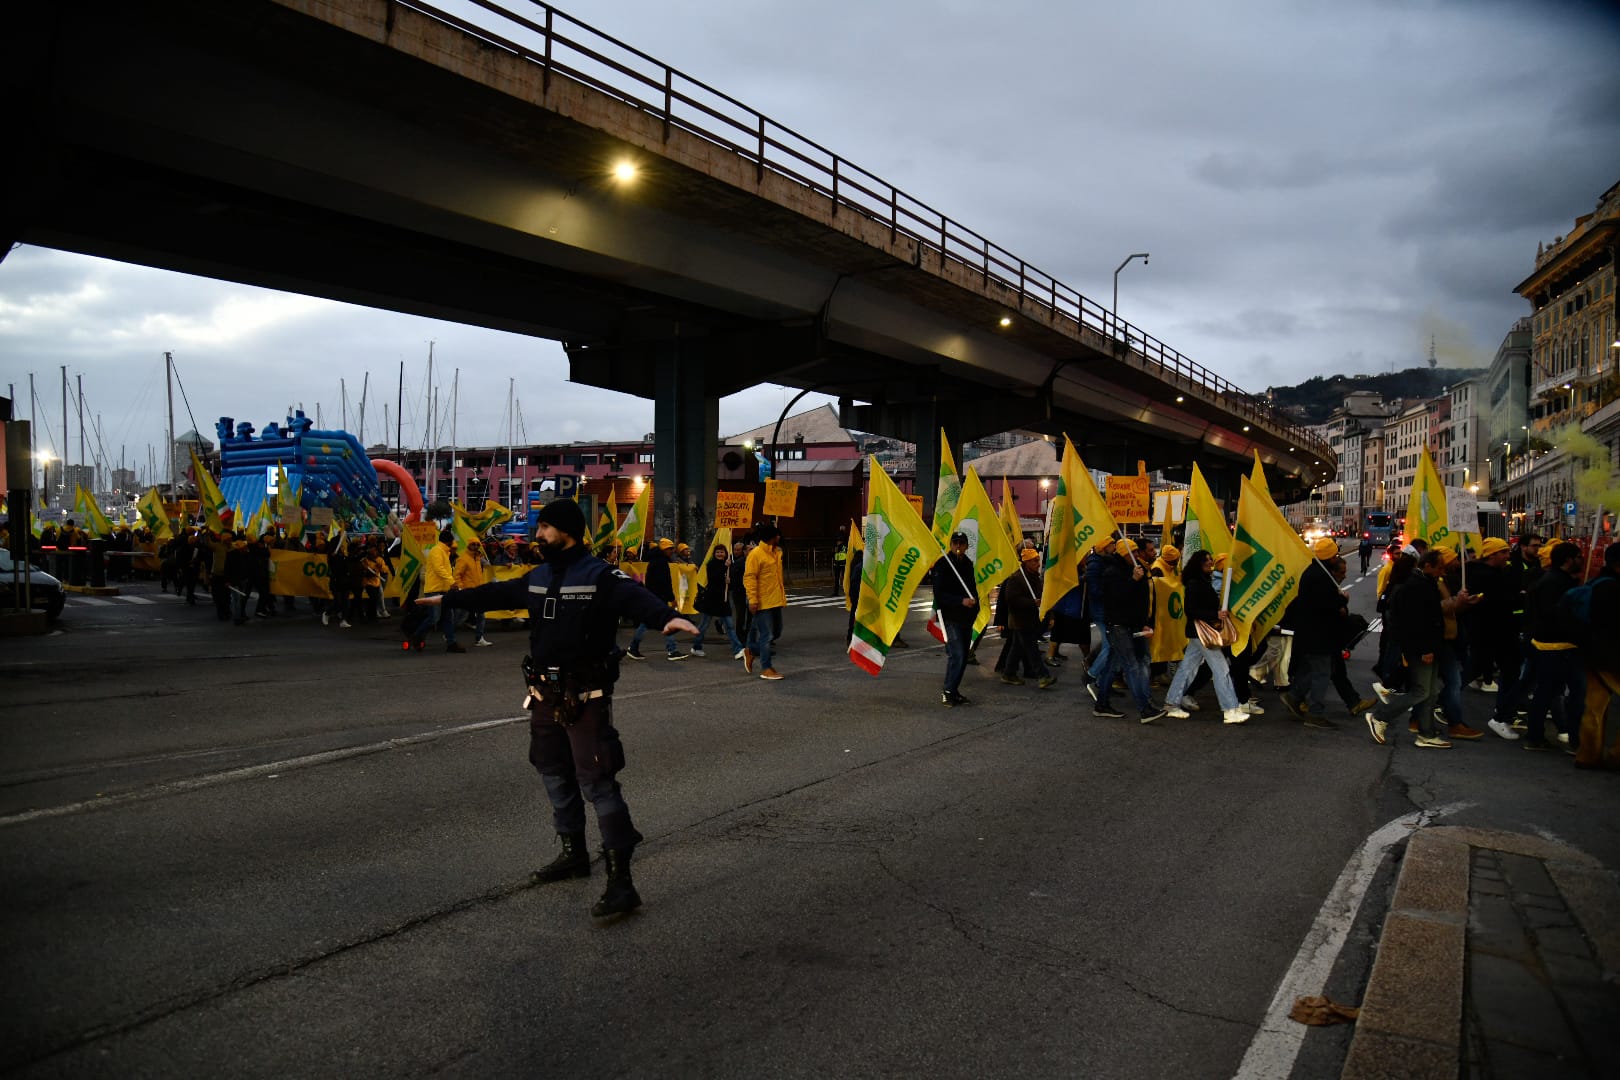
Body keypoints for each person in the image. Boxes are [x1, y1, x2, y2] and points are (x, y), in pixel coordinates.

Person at [420, 499, 697, 919]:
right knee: (551, 771)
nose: (538, 535)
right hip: (545, 696)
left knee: (598, 781)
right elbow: (496, 593)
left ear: (566, 530)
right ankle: (573, 855)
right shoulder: (539, 575)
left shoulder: (600, 575)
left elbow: (635, 596)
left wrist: (667, 618)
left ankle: (622, 883)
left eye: (545, 527)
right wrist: (451, 598)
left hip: (585, 697)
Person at [1365, 549, 1449, 748]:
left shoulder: (1424, 583)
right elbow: (1415, 622)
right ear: (1427, 565)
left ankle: (1426, 733)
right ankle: (1380, 717)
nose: (1442, 571)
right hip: (1422, 648)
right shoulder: (1416, 587)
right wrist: (1425, 648)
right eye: (1439, 567)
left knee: (1429, 692)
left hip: (1429, 646)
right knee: (1421, 691)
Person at [1163, 549, 1248, 724]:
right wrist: (1215, 615)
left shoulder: (1199, 581)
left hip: (1198, 633)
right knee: (1221, 670)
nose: (1210, 562)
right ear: (1198, 564)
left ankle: (1172, 703)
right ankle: (1230, 709)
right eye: (1206, 560)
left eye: (1210, 559)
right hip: (1203, 633)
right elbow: (1191, 610)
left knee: (1187, 669)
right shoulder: (1196, 583)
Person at [1280, 538, 1352, 729]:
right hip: (1319, 633)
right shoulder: (1321, 577)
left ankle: (1294, 696)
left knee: (1311, 668)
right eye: (1335, 554)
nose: (1337, 556)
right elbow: (1327, 605)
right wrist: (1342, 601)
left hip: (1310, 632)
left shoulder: (1313, 572)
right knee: (1322, 673)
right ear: (1330, 557)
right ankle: (1315, 713)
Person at [1520, 542, 1585, 752]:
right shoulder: (1555, 583)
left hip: (1552, 644)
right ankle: (1573, 739)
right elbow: (1554, 614)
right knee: (1568, 693)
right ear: (1568, 560)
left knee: (1547, 691)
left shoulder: (1556, 580)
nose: (1581, 560)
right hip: (1558, 646)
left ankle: (1538, 735)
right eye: (1578, 556)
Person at [1095, 539, 1165, 723]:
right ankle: (1144, 708)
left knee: (1112, 666)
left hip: (1132, 624)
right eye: (1131, 553)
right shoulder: (1112, 572)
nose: (1135, 556)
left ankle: (1101, 704)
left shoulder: (1136, 569)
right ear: (1122, 554)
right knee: (1132, 666)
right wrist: (1133, 581)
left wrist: (1143, 622)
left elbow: (1141, 600)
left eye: (1135, 552)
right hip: (1118, 625)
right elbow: (1116, 598)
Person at [1574, 543, 1620, 768]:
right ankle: (1616, 755)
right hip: (1612, 656)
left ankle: (1588, 755)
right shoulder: (1614, 589)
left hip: (1593, 654)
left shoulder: (1595, 584)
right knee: (1595, 707)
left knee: (1594, 707)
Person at [932, 530, 979, 705]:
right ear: (950, 545)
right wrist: (960, 601)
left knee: (963, 655)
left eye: (961, 543)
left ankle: (954, 690)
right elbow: (939, 594)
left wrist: (975, 606)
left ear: (966, 546)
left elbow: (972, 587)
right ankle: (948, 690)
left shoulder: (967, 564)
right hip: (950, 616)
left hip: (966, 617)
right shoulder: (943, 564)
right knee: (957, 654)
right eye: (955, 542)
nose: (958, 546)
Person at [998, 547, 1055, 689]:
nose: (1038, 563)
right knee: (1031, 649)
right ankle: (1043, 676)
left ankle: (1008, 673)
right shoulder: (1016, 578)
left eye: (1038, 560)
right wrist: (1032, 602)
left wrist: (1049, 615)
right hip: (1020, 620)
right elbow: (1010, 599)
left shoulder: (1035, 577)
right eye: (1035, 561)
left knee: (1017, 648)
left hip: (1031, 619)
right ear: (1027, 562)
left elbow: (1043, 597)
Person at [404, 529, 464, 652]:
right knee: (434, 618)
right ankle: (417, 636)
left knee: (447, 618)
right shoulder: (437, 551)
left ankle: (451, 643)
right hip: (435, 590)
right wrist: (452, 582)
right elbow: (439, 569)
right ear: (449, 541)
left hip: (442, 589)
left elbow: (442, 570)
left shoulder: (442, 551)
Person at [627, 538, 687, 661]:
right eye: (670, 549)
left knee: (647, 623)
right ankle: (672, 650)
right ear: (664, 549)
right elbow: (665, 583)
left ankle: (634, 647)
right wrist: (671, 598)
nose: (672, 551)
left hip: (654, 597)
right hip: (658, 598)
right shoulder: (661, 563)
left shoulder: (655, 561)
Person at [743, 524, 786, 680]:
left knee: (777, 632)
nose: (779, 537)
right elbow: (749, 578)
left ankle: (751, 650)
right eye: (777, 535)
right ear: (772, 537)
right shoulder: (756, 554)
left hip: (776, 600)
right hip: (762, 602)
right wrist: (753, 600)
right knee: (766, 636)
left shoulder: (776, 553)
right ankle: (766, 668)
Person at [693, 543, 744, 660]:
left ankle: (738, 649)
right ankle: (696, 647)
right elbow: (713, 578)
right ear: (714, 554)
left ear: (726, 553)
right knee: (703, 625)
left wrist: (729, 581)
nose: (720, 554)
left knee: (730, 626)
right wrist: (724, 569)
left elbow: (730, 584)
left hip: (723, 600)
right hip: (711, 599)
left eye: (722, 552)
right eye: (718, 552)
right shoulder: (710, 564)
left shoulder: (729, 565)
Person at [456, 539, 494, 646]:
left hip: (478, 591)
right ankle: (448, 632)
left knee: (481, 615)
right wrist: (461, 588)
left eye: (478, 544)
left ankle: (479, 638)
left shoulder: (478, 558)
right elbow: (457, 575)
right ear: (468, 545)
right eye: (473, 544)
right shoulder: (463, 559)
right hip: (467, 591)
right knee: (461, 616)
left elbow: (485, 569)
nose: (476, 546)